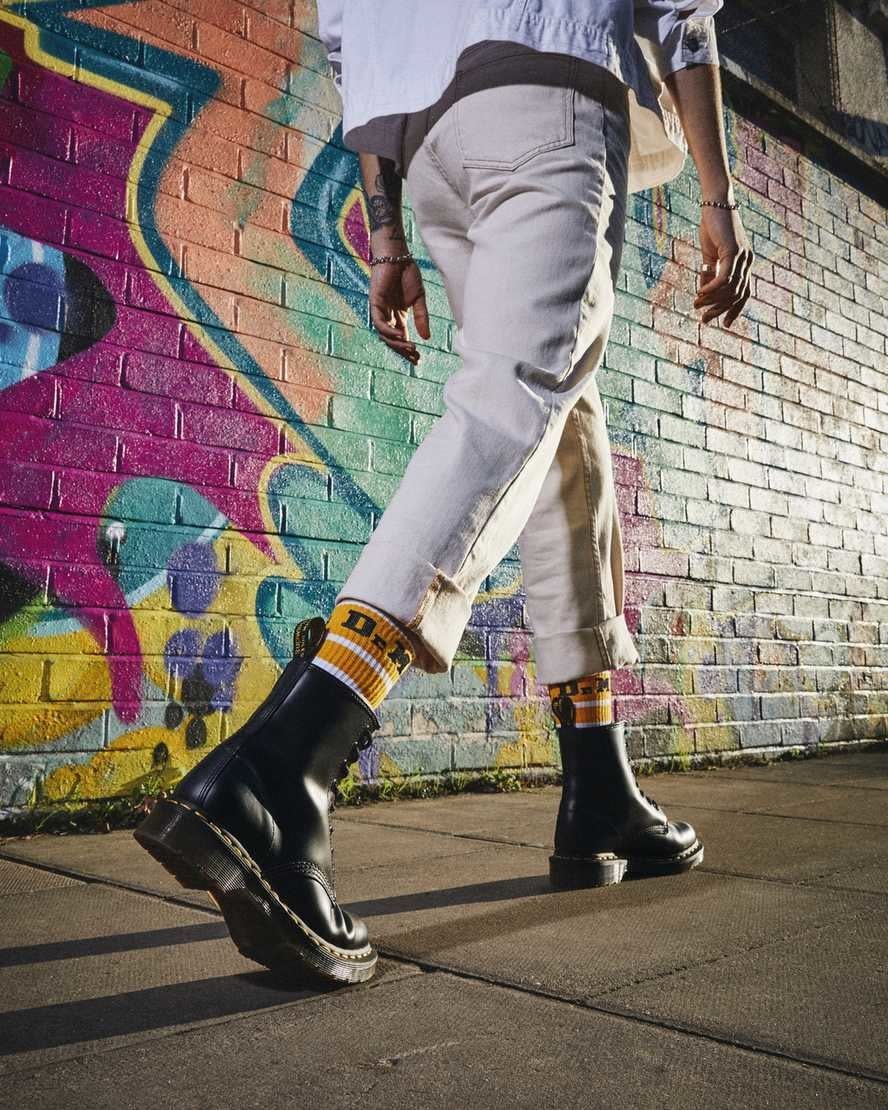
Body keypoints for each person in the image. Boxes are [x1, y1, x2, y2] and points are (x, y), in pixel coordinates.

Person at [135, 0, 753, 987]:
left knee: (560, 428)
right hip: (547, 101)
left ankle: (597, 780)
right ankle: (286, 763)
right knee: (519, 399)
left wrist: (385, 240)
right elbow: (680, 15)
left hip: (429, 156)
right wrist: (721, 205)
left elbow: (347, 40)